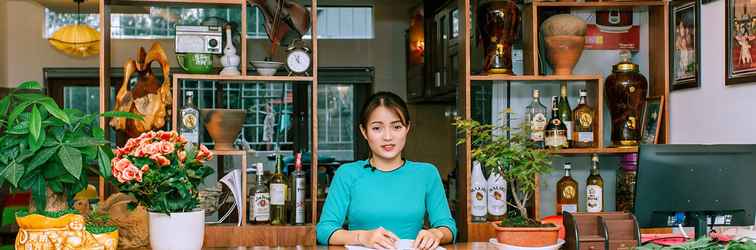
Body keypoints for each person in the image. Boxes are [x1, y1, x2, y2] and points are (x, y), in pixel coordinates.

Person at [316, 92, 457, 249]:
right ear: (364, 131)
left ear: (407, 128)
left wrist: (435, 234)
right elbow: (324, 231)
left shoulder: (427, 173)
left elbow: (448, 227)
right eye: (377, 128)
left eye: (396, 127)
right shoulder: (347, 174)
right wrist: (362, 237)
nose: (388, 137)